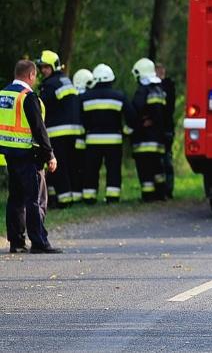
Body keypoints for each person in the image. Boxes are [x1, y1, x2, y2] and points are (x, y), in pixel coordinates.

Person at [1, 60, 62, 253]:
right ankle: (39, 242)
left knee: (15, 198)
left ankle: (17, 242)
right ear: (31, 75)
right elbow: (39, 129)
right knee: (34, 198)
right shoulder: (27, 97)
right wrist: (50, 155)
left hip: (9, 154)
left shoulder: (3, 94)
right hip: (28, 155)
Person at [80, 64, 134, 204]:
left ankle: (89, 198)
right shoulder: (119, 96)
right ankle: (112, 197)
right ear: (111, 80)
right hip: (114, 141)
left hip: (92, 141)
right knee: (113, 169)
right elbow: (132, 118)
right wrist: (125, 133)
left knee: (91, 170)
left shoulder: (85, 97)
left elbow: (80, 120)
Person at [36, 50, 82, 208]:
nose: (43, 71)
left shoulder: (49, 85)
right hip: (73, 131)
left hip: (57, 131)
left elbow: (41, 107)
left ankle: (63, 201)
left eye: (46, 67)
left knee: (57, 167)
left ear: (53, 67)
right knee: (71, 165)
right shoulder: (66, 80)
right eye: (42, 67)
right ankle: (73, 197)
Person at [131, 58, 167, 202]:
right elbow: (162, 114)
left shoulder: (142, 91)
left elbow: (136, 111)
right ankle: (161, 193)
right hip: (158, 139)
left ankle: (148, 196)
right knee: (158, 168)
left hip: (144, 139)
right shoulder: (159, 90)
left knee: (145, 169)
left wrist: (139, 124)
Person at [155, 62, 176, 199]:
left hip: (166, 128)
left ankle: (167, 189)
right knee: (159, 161)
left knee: (166, 160)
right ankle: (161, 189)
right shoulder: (155, 86)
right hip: (159, 129)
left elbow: (169, 107)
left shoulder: (167, 86)